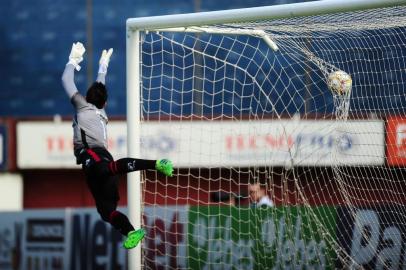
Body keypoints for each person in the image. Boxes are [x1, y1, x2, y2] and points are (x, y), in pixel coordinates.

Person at [61, 42, 174, 249]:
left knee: (105, 169)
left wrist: (73, 60)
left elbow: (66, 79)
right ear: (104, 103)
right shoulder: (101, 112)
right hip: (101, 157)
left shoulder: (81, 105)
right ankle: (132, 232)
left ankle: (157, 164)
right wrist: (103, 65)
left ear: (87, 98)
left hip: (93, 155)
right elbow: (99, 85)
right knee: (106, 211)